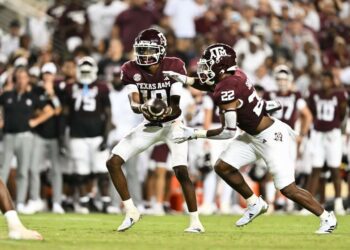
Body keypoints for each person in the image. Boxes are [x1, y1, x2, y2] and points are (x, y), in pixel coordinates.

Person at [164, 43, 337, 234]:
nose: (205, 69)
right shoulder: (236, 74)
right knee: (223, 166)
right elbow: (210, 84)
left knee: (288, 189)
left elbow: (228, 132)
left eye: (209, 64)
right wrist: (184, 79)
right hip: (252, 135)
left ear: (221, 66)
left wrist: (194, 134)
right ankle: (254, 203)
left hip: (271, 138)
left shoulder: (227, 88)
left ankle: (327, 217)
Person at [106, 28, 204, 233]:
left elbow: (176, 107)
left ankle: (195, 221)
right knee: (113, 162)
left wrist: (164, 110)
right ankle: (131, 211)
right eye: (141, 50)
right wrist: (146, 108)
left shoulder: (174, 65)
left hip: (173, 123)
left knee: (180, 170)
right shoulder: (130, 68)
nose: (145, 55)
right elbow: (134, 103)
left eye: (149, 51)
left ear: (161, 51)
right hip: (150, 124)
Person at [61, 56, 112, 214]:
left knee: (102, 171)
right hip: (77, 135)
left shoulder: (102, 87)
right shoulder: (70, 88)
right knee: (80, 172)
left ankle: (105, 202)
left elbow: (108, 114)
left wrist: (105, 136)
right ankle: (84, 202)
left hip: (96, 135)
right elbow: (65, 114)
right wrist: (63, 136)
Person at [0, 67, 55, 214]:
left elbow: (50, 111)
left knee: (23, 172)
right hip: (8, 136)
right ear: (15, 79)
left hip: (25, 137)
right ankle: (2, 204)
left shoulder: (32, 97)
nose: (21, 80)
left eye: (24, 77)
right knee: (3, 171)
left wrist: (35, 122)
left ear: (27, 79)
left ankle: (19, 203)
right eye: (18, 77)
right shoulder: (7, 95)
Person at [307, 71, 347, 215]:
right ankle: (309, 204)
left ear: (332, 81)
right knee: (315, 168)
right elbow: (311, 111)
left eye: (327, 80)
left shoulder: (339, 94)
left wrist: (336, 126)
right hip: (318, 133)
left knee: (335, 168)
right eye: (322, 79)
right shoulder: (315, 94)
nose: (324, 82)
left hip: (332, 134)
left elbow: (343, 112)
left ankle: (338, 204)